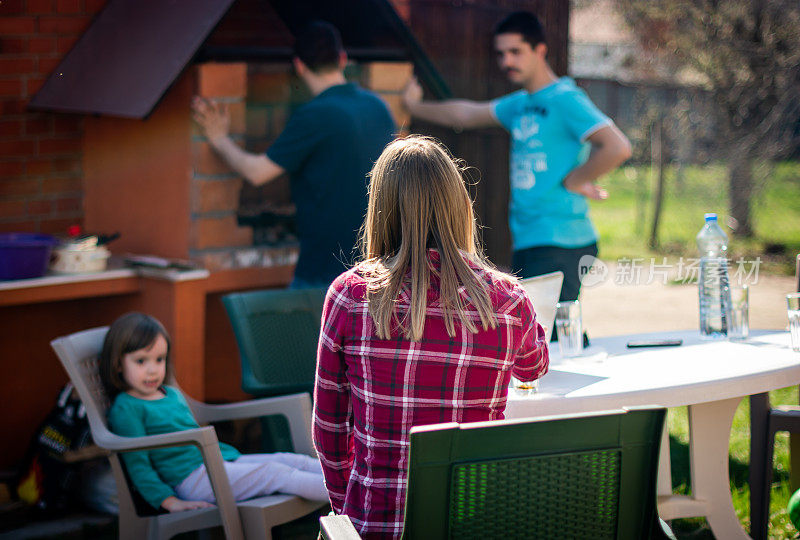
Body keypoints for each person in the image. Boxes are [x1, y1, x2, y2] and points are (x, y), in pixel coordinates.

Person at [313, 136, 549, 538]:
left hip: (377, 526)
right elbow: (534, 368)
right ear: (459, 205)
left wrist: (346, 515)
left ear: (380, 209)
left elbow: (329, 430)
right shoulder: (508, 301)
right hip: (476, 524)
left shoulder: (350, 296)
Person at [402, 11, 632, 302]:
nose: (506, 61)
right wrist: (412, 107)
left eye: (515, 52)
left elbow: (617, 147)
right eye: (501, 54)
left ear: (540, 50)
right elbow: (465, 114)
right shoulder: (520, 104)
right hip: (530, 238)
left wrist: (576, 180)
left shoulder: (564, 97)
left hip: (560, 238)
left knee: (549, 335)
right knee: (544, 333)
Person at [192, 21, 396, 289]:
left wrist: (218, 139)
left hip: (326, 270)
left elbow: (257, 172)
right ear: (342, 59)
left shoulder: (315, 114)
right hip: (379, 264)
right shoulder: (378, 107)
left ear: (299, 65)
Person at [100, 312, 328, 512]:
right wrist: (169, 501)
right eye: (141, 361)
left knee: (290, 460)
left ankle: (357, 481)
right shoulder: (126, 407)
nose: (152, 370)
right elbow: (137, 464)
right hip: (191, 481)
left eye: (159, 359)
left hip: (218, 462)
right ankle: (354, 500)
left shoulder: (169, 393)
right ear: (118, 364)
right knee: (275, 473)